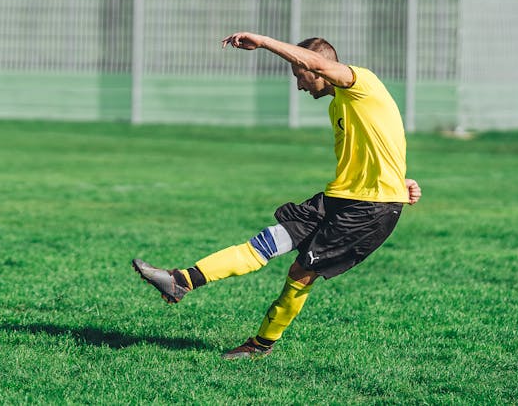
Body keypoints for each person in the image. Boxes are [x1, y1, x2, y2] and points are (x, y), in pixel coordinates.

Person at [132, 32, 422, 359]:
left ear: (320, 69)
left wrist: (263, 42)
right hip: (341, 197)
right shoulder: (340, 105)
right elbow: (379, 145)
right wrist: (400, 179)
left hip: (370, 209)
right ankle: (180, 281)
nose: (299, 85)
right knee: (268, 240)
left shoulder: (361, 83)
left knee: (300, 273)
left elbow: (314, 61)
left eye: (301, 75)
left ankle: (261, 345)